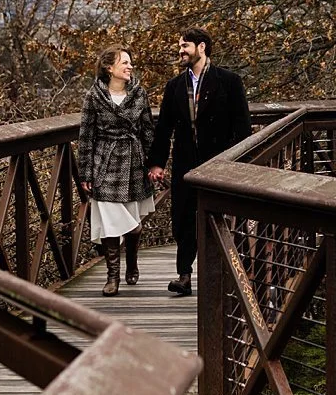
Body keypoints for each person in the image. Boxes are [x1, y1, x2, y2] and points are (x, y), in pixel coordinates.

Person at [147, 27, 250, 297]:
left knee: (225, 216)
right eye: (180, 46)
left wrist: (237, 162)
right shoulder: (175, 86)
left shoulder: (229, 81)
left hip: (220, 162)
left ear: (201, 47)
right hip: (185, 162)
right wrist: (157, 163)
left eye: (185, 46)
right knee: (183, 217)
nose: (180, 51)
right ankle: (184, 275)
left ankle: (233, 274)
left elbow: (242, 127)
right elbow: (164, 128)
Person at [76, 46, 158, 296]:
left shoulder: (139, 94)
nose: (130, 66)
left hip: (133, 162)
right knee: (109, 219)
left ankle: (131, 261)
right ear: (109, 68)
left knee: (131, 220)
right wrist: (85, 173)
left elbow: (148, 131)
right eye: (124, 62)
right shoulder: (93, 96)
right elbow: (86, 136)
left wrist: (155, 163)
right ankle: (112, 277)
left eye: (130, 62)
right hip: (104, 162)